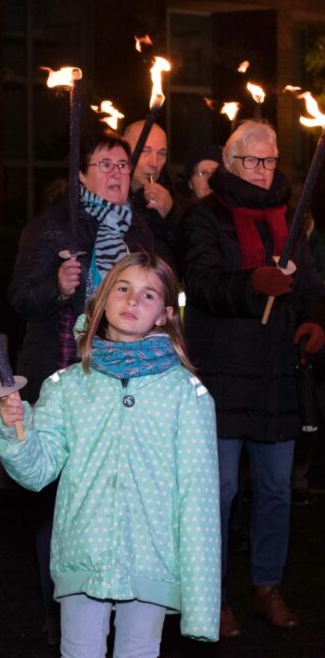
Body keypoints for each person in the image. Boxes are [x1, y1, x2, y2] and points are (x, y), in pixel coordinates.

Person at [0, 252, 221, 655]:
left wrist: (202, 608)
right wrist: (17, 428)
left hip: (152, 559)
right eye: (123, 288)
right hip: (83, 553)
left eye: (147, 295)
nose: (133, 300)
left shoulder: (187, 394)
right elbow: (37, 469)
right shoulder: (67, 385)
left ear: (165, 314)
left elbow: (199, 503)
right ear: (101, 299)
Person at [7, 131, 165, 643]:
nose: (117, 173)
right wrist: (57, 287)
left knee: (117, 491)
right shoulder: (53, 226)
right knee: (61, 501)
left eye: (123, 164)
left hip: (125, 385)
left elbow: (165, 290)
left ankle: (119, 592)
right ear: (81, 174)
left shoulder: (141, 227)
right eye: (105, 164)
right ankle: (64, 609)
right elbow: (19, 298)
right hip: (65, 374)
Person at [177, 120, 325, 637]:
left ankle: (267, 584)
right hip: (221, 371)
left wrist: (313, 318)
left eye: (270, 161)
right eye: (252, 162)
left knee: (276, 488)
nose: (263, 173)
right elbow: (202, 283)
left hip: (275, 375)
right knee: (218, 490)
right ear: (231, 161)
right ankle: (210, 593)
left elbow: (308, 282)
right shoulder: (205, 217)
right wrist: (251, 284)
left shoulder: (290, 215)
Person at [123, 120, 184, 260]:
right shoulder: (108, 194)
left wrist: (171, 214)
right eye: (145, 151)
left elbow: (190, 257)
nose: (154, 163)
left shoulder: (177, 202)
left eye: (161, 154)